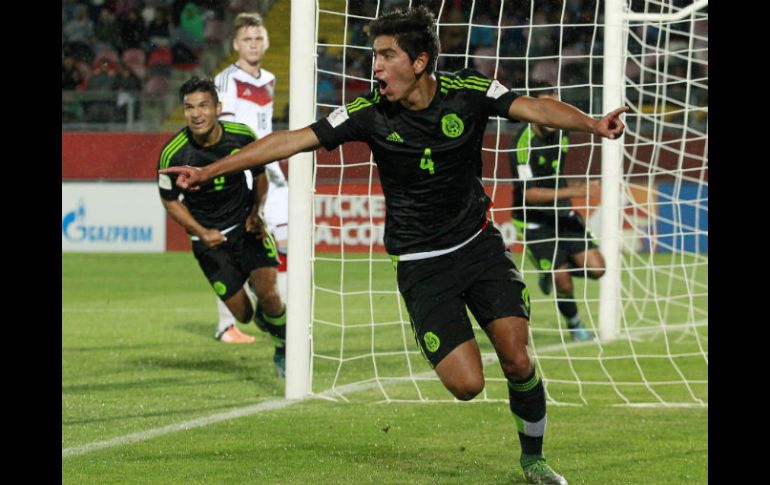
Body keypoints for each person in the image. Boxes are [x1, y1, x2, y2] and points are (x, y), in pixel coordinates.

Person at [161, 7, 627, 484]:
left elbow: (533, 106)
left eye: (386, 55)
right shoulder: (369, 113)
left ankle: (534, 459)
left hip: (479, 247)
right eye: (373, 56)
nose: (375, 67)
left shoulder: (467, 91)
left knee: (517, 356)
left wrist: (592, 124)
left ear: (421, 60)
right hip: (422, 265)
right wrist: (211, 169)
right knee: (467, 385)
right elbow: (292, 140)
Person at [157, 77, 287, 377]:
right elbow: (169, 200)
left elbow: (260, 175)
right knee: (243, 315)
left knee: (268, 293)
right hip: (209, 244)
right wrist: (201, 232)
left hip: (246, 228)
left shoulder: (241, 137)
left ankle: (283, 346)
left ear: (218, 107)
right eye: (189, 107)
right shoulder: (172, 153)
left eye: (203, 105)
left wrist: (256, 211)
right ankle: (272, 323)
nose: (196, 113)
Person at [211, 12, 290, 346]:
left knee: (286, 242)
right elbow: (224, 131)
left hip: (270, 170)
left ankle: (280, 315)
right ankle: (227, 324)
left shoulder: (269, 79)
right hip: (242, 171)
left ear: (266, 42)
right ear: (235, 44)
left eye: (258, 39)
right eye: (247, 39)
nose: (254, 45)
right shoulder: (225, 81)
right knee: (238, 249)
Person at [509, 81, 604, 343]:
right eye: (547, 107)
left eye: (557, 106)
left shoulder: (562, 132)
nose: (554, 113)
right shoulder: (522, 144)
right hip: (535, 221)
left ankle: (552, 270)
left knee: (597, 268)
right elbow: (529, 194)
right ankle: (575, 325)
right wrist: (575, 191)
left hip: (563, 214)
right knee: (563, 280)